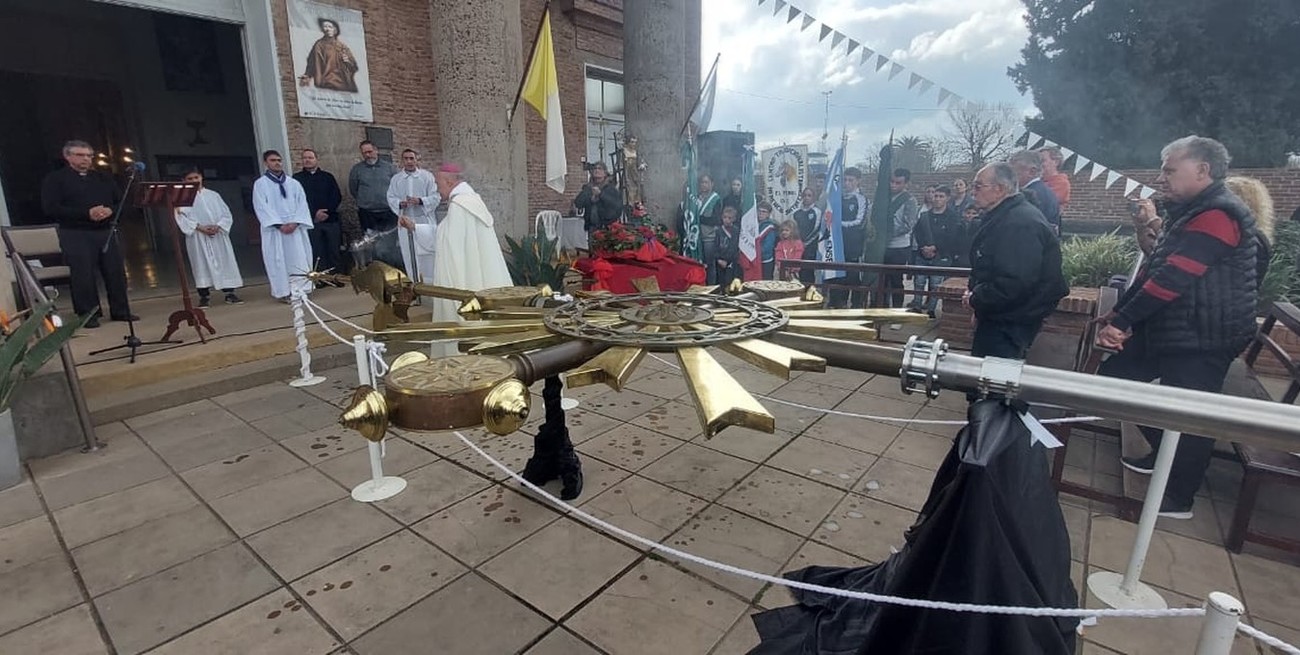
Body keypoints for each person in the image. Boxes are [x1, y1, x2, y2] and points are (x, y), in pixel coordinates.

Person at [1097, 137, 1261, 519]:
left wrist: (1124, 321)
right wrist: (1120, 312)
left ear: (1203, 170)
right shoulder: (1192, 208)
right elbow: (1157, 267)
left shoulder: (1219, 214)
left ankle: (1179, 497)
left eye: (1170, 169)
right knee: (1116, 379)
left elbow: (1172, 279)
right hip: (1177, 327)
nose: (1162, 177)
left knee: (1188, 414)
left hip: (1205, 335)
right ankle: (1162, 451)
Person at [963, 162, 1068, 359]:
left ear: (1000, 189)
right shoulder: (1004, 216)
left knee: (993, 382)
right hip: (1000, 315)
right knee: (982, 378)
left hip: (1011, 321)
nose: (973, 192)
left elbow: (1014, 283)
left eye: (978, 186)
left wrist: (976, 299)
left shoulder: (1019, 223)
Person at [41, 140, 136, 328]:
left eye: (89, 155)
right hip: (75, 232)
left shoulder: (103, 178)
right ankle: (88, 314)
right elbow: (50, 208)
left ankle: (120, 310)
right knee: (82, 275)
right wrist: (86, 213)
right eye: (80, 155)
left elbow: (122, 202)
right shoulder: (55, 179)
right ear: (67, 156)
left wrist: (110, 210)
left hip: (105, 231)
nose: (86, 159)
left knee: (115, 272)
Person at [429, 164, 513, 356]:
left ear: (449, 182)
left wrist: (454, 291)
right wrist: (417, 228)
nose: (436, 188)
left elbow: (451, 251)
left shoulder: (460, 206)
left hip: (465, 281)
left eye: (438, 183)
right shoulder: (472, 201)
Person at [175, 167, 243, 307]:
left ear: (201, 177)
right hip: (198, 237)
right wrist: (199, 227)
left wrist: (218, 226)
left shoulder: (213, 195)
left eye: (196, 177)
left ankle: (229, 292)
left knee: (224, 261)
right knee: (201, 264)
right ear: (184, 181)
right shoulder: (182, 198)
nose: (194, 181)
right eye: (190, 179)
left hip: (217, 234)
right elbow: (181, 217)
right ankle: (204, 295)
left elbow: (226, 214)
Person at [252, 150, 314, 301]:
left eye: (279, 160)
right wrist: (279, 225)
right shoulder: (261, 184)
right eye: (273, 160)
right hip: (276, 231)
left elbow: (302, 204)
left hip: (295, 229)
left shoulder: (293, 183)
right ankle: (283, 292)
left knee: (299, 258)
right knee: (278, 260)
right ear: (266, 163)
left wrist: (296, 222)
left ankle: (302, 289)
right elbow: (261, 206)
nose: (277, 163)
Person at [385, 148, 438, 283]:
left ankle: (431, 283)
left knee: (427, 253)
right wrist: (400, 204)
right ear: (402, 160)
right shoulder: (396, 179)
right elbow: (390, 197)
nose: (409, 161)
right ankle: (414, 284)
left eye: (411, 158)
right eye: (406, 158)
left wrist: (420, 201)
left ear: (417, 160)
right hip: (405, 220)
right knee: (409, 254)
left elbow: (436, 196)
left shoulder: (427, 177)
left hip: (424, 221)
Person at [293, 148, 344, 281]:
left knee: (334, 250)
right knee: (317, 252)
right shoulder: (296, 179)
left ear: (316, 159)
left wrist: (326, 212)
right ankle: (319, 279)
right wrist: (314, 214)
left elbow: (336, 196)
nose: (307, 160)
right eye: (305, 158)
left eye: (310, 157)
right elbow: (297, 201)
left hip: (330, 219)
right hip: (311, 222)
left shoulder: (327, 177)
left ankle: (335, 278)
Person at [348, 140, 400, 266]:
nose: (368, 155)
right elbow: (353, 189)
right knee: (370, 242)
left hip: (388, 211)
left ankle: (390, 266)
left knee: (390, 241)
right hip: (368, 213)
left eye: (370, 151)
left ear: (376, 151)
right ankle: (375, 267)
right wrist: (367, 200)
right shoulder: (357, 170)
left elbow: (397, 186)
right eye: (364, 153)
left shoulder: (389, 168)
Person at [909, 185, 957, 317]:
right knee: (919, 282)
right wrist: (923, 247)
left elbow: (952, 237)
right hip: (923, 254)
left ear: (947, 198)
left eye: (941, 196)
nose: (937, 199)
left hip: (940, 255)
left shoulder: (952, 217)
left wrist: (935, 248)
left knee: (936, 284)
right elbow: (917, 233)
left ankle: (931, 310)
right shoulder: (924, 216)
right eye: (936, 196)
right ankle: (917, 306)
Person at [882, 168, 919, 308]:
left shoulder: (910, 200)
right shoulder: (884, 197)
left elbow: (908, 224)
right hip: (883, 246)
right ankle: (883, 309)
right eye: (892, 182)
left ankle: (897, 311)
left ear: (906, 183)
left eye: (898, 183)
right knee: (882, 280)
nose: (893, 185)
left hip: (899, 246)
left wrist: (888, 233)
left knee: (896, 281)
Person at [836, 167, 869, 307]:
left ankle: (856, 305)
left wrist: (839, 224)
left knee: (854, 275)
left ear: (858, 181)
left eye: (851, 180)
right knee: (840, 275)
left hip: (855, 243)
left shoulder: (861, 199)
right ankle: (840, 303)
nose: (847, 183)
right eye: (845, 180)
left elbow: (859, 221)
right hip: (839, 242)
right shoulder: (838, 197)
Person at [299, 18, 359, 92]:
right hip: (327, 81)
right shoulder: (319, 45)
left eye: (330, 27)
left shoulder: (342, 46)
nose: (327, 29)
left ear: (335, 30)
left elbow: (354, 66)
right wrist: (307, 75)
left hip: (345, 83)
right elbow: (312, 61)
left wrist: (348, 62)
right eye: (325, 27)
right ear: (323, 29)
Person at [1010, 149, 1062, 234]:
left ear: (1032, 171)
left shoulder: (1030, 195)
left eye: (1014, 172)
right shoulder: (1045, 191)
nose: (1011, 177)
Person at [573, 162, 622, 231]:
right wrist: (589, 197)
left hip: (607, 227)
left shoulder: (610, 188)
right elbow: (578, 203)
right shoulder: (588, 188)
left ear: (605, 173)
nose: (596, 170)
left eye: (599, 168)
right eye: (595, 168)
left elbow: (616, 205)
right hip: (592, 227)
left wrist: (600, 194)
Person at [693, 175, 723, 282]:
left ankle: (711, 287)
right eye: (702, 182)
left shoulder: (716, 199)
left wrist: (699, 218)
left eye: (706, 182)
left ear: (712, 184)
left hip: (709, 237)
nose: (704, 185)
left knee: (710, 264)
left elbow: (715, 219)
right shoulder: (696, 197)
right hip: (696, 236)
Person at [739, 202, 777, 281]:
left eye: (764, 212)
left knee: (765, 282)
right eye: (759, 211)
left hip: (764, 260)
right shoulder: (752, 224)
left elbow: (768, 246)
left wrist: (755, 252)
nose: (761, 213)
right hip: (753, 259)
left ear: (769, 214)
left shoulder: (770, 227)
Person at [791, 187, 821, 285]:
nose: (806, 198)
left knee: (808, 271)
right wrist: (797, 242)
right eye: (804, 195)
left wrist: (805, 243)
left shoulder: (816, 211)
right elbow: (792, 228)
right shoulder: (796, 212)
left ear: (814, 198)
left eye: (809, 195)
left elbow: (816, 230)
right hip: (797, 246)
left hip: (810, 247)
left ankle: (809, 291)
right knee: (796, 269)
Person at [714, 206, 740, 289]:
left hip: (732, 262)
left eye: (729, 218)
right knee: (721, 282)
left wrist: (728, 261)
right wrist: (718, 259)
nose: (727, 220)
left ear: (734, 219)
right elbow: (715, 246)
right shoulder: (718, 231)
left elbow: (735, 247)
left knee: (731, 281)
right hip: (720, 261)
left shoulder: (736, 231)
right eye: (725, 217)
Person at [952, 204, 982, 268]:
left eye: (974, 213)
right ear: (963, 213)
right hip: (959, 261)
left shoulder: (981, 228)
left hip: (974, 261)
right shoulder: (957, 226)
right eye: (968, 213)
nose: (970, 216)